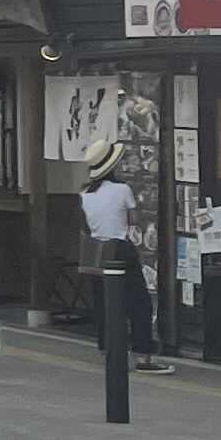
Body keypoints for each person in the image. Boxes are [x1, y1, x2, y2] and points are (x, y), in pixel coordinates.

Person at [81, 135, 153, 366]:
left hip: (96, 251)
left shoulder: (85, 194)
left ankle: (107, 351)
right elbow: (134, 219)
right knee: (139, 302)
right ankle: (141, 354)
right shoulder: (122, 190)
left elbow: (86, 224)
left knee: (104, 304)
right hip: (120, 249)